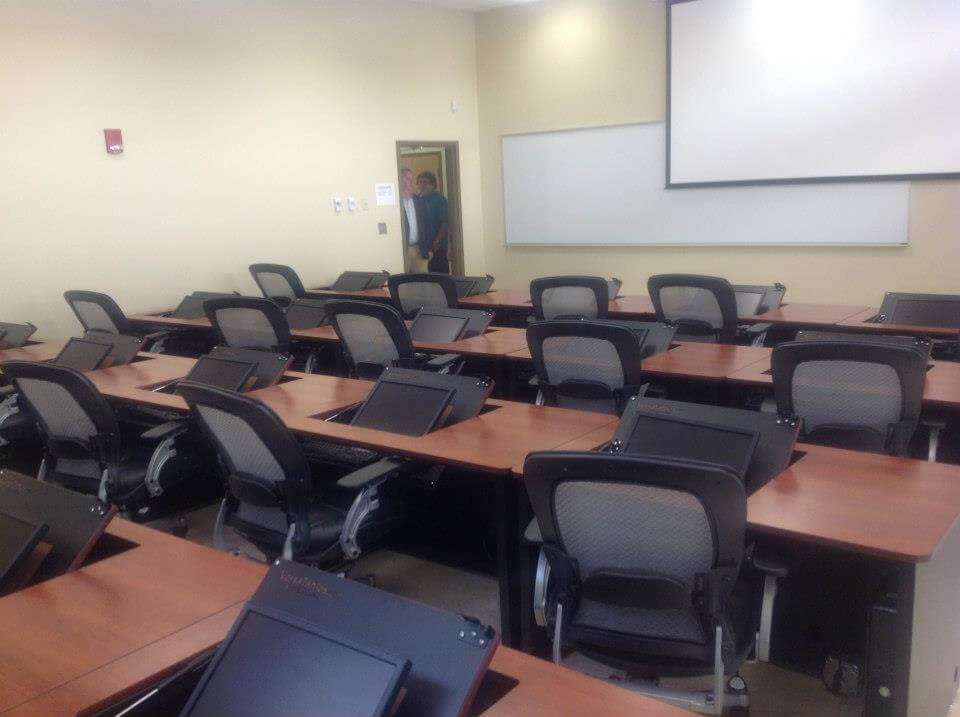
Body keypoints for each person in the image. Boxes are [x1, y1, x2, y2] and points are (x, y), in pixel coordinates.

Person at [417, 171, 450, 274]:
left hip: (438, 247)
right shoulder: (417, 200)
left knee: (441, 278)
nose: (423, 185)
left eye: (425, 182)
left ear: (433, 184)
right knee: (426, 278)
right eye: (420, 182)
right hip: (422, 248)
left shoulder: (440, 200)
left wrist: (437, 241)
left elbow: (445, 223)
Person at [400, 168, 430, 273]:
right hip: (403, 251)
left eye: (412, 179)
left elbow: (426, 225)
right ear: (400, 180)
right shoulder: (395, 202)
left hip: (419, 249)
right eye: (408, 179)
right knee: (403, 283)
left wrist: (429, 248)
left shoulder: (419, 201)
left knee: (422, 283)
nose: (412, 182)